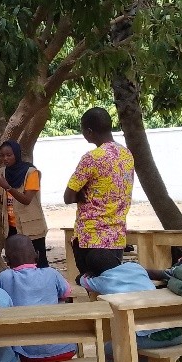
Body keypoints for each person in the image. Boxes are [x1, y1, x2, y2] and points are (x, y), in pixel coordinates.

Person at [0, 234, 73, 362]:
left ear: (6, 259)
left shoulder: (4, 278)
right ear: (36, 254)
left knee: (30, 340)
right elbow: (66, 294)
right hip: (59, 350)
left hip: (22, 351)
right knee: (65, 344)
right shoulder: (51, 273)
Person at [64, 108, 135, 278]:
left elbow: (68, 197)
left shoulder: (92, 158)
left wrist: (82, 191)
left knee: (94, 288)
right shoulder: (126, 154)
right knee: (114, 288)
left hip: (90, 236)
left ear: (89, 131)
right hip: (116, 237)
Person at [0, 140, 49, 268]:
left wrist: (8, 187)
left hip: (30, 226)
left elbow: (26, 199)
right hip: (11, 227)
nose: (5, 158)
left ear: (17, 154)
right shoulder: (2, 172)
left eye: (9, 155)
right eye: (2, 156)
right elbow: (0, 199)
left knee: (38, 262)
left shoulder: (31, 172)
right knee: (15, 263)